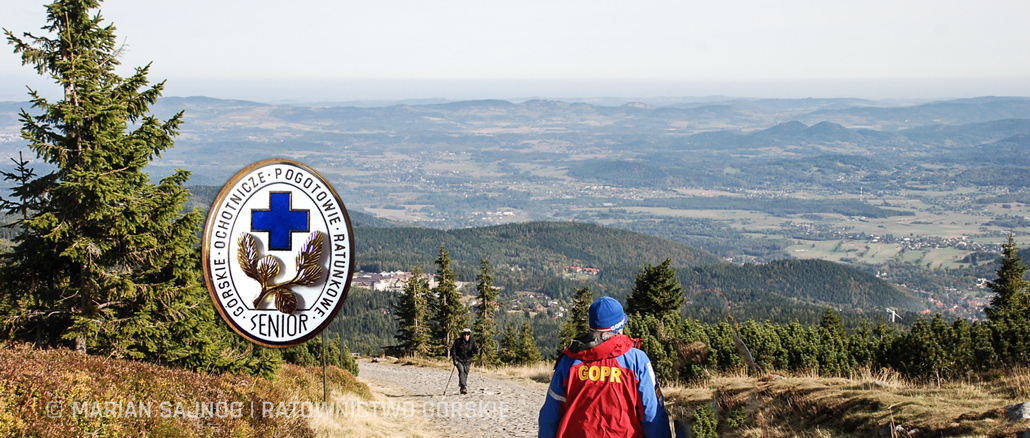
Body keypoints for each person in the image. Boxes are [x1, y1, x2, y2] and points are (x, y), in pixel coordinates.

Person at [538, 297, 671, 438]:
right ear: (620, 327)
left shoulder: (569, 361)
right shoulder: (637, 360)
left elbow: (550, 415)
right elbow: (652, 414)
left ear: (591, 327)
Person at [451, 327, 480, 395]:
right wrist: (455, 359)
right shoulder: (458, 341)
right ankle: (463, 386)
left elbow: (476, 349)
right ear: (463, 334)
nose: (466, 336)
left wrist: (477, 350)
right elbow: (453, 350)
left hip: (468, 360)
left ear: (470, 335)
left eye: (468, 334)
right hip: (459, 359)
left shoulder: (472, 341)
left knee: (466, 372)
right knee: (461, 371)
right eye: (465, 334)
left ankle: (462, 386)